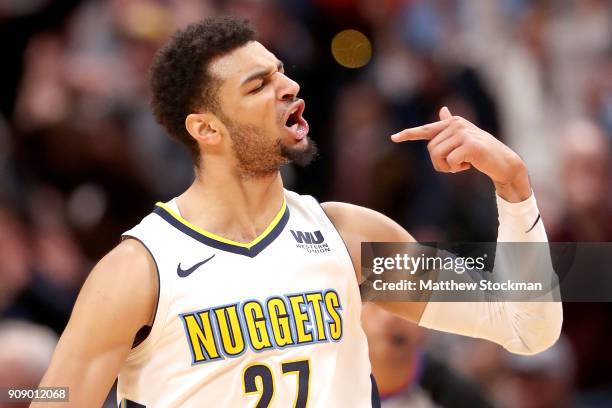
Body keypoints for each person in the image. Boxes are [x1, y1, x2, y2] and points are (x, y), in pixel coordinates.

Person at [33, 17, 562, 407]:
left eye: (280, 72)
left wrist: (513, 188)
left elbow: (525, 325)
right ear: (207, 129)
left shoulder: (347, 238)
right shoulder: (140, 269)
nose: (288, 87)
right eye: (258, 85)